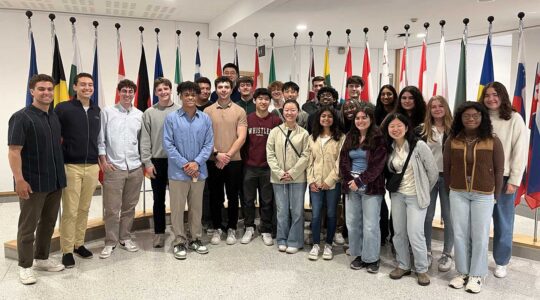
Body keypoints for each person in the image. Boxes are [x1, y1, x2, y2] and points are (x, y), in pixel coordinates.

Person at [8, 74, 67, 285]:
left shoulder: (53, 117)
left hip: (55, 181)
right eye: (41, 89)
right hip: (33, 182)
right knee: (27, 226)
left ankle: (41, 258)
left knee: (48, 223)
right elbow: (14, 151)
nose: (47, 93)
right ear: (32, 91)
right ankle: (25, 265)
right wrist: (19, 180)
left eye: (50, 89)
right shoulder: (21, 117)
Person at [444, 101, 504, 293]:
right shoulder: (452, 139)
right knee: (460, 233)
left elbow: (499, 169)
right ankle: (462, 272)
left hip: (483, 194)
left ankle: (477, 274)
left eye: (476, 115)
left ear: (482, 117)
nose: (471, 119)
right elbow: (446, 168)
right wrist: (449, 189)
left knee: (480, 235)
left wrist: (496, 194)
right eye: (467, 116)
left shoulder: (493, 140)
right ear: (460, 118)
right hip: (458, 192)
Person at [382, 113, 438, 286]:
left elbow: (433, 172)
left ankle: (421, 269)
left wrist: (422, 190)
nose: (396, 129)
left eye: (399, 126)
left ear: (406, 128)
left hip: (416, 196)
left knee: (415, 233)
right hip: (398, 195)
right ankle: (403, 264)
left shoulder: (419, 146)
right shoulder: (389, 147)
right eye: (392, 126)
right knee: (398, 232)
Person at [480, 82, 527, 278]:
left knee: (503, 222)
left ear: (503, 96)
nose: (491, 99)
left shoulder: (514, 118)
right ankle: (478, 259)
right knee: (479, 222)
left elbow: (520, 151)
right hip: (480, 177)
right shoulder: (478, 118)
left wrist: (514, 179)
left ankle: (501, 261)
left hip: (505, 177)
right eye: (487, 95)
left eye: (495, 95)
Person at [163, 81, 214, 260]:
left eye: (193, 94)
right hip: (178, 173)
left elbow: (209, 144)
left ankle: (195, 239)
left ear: (198, 96)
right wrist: (186, 164)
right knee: (177, 209)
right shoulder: (171, 118)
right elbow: (168, 145)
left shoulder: (205, 118)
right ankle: (178, 241)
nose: (190, 97)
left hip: (199, 172)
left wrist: (197, 163)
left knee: (196, 208)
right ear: (181, 96)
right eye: (187, 94)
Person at [55, 73, 101, 268]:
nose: (87, 88)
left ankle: (78, 244)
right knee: (70, 210)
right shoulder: (63, 108)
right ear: (75, 87)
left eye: (90, 85)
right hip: (71, 166)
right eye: (83, 85)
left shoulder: (96, 109)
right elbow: (55, 136)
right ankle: (66, 250)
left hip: (92, 165)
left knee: (84, 208)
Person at [98, 79, 144, 259]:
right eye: (124, 91)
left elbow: (142, 141)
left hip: (134, 167)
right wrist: (103, 160)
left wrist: (141, 162)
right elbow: (100, 138)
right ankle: (110, 241)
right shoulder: (107, 112)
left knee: (129, 207)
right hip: (114, 166)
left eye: (130, 91)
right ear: (119, 92)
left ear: (134, 93)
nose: (127, 94)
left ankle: (125, 237)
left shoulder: (140, 114)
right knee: (111, 208)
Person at [339, 102, 386, 272]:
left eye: (364, 117)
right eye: (357, 118)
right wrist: (350, 181)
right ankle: (358, 254)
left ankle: (372, 258)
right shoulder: (350, 136)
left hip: (371, 186)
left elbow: (377, 165)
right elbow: (343, 161)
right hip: (351, 187)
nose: (360, 121)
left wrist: (360, 181)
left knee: (371, 224)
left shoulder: (379, 137)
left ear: (371, 118)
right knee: (352, 223)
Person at [204, 76, 247, 245]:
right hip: (213, 160)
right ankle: (217, 228)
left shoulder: (239, 111)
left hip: (234, 161)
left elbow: (241, 137)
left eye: (226, 87)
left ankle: (231, 228)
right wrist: (217, 154)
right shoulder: (207, 111)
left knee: (232, 195)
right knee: (215, 196)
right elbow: (204, 137)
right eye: (220, 87)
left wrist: (227, 155)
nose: (223, 89)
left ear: (231, 89)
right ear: (216, 89)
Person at [141, 77, 181, 248]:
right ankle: (159, 232)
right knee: (158, 200)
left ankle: (179, 232)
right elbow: (145, 139)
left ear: (171, 90)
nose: (163, 92)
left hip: (177, 161)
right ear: (156, 92)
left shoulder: (181, 111)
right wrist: (147, 163)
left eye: (166, 88)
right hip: (157, 161)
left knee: (178, 200)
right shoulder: (149, 113)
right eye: (160, 90)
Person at [267, 100, 310, 254]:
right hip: (278, 178)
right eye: (287, 110)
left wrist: (292, 173)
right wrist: (279, 173)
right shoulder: (275, 131)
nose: (289, 113)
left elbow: (306, 155)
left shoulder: (304, 134)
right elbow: (270, 154)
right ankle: (282, 239)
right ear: (282, 111)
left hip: (298, 178)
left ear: (298, 112)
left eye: (293, 110)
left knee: (297, 211)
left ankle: (295, 240)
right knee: (282, 210)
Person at [418, 95, 454, 271]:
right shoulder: (422, 130)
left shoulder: (455, 129)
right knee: (427, 215)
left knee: (449, 216)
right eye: (433, 107)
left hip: (449, 178)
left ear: (446, 108)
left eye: (440, 106)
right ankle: (427, 251)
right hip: (429, 177)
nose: (437, 109)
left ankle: (447, 254)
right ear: (429, 110)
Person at [241, 88, 282, 245]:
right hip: (249, 167)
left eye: (266, 99)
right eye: (260, 99)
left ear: (269, 102)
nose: (263, 102)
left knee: (267, 201)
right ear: (254, 101)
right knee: (248, 200)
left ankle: (265, 229)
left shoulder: (275, 121)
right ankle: (249, 227)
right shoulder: (247, 119)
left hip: (267, 167)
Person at [307, 107, 344, 260]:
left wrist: (330, 180)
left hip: (332, 184)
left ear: (334, 118)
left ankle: (328, 244)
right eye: (323, 116)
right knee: (315, 215)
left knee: (331, 214)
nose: (326, 119)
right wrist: (311, 181)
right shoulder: (312, 137)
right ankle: (316, 244)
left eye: (329, 116)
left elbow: (341, 161)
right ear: (319, 118)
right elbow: (309, 161)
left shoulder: (341, 137)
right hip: (315, 183)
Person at [374, 84, 398, 247]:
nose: (386, 97)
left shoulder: (398, 113)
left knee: (395, 198)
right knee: (378, 196)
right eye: (383, 94)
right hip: (378, 159)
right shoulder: (375, 113)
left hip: (395, 159)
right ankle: (382, 233)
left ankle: (395, 234)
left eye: (389, 94)